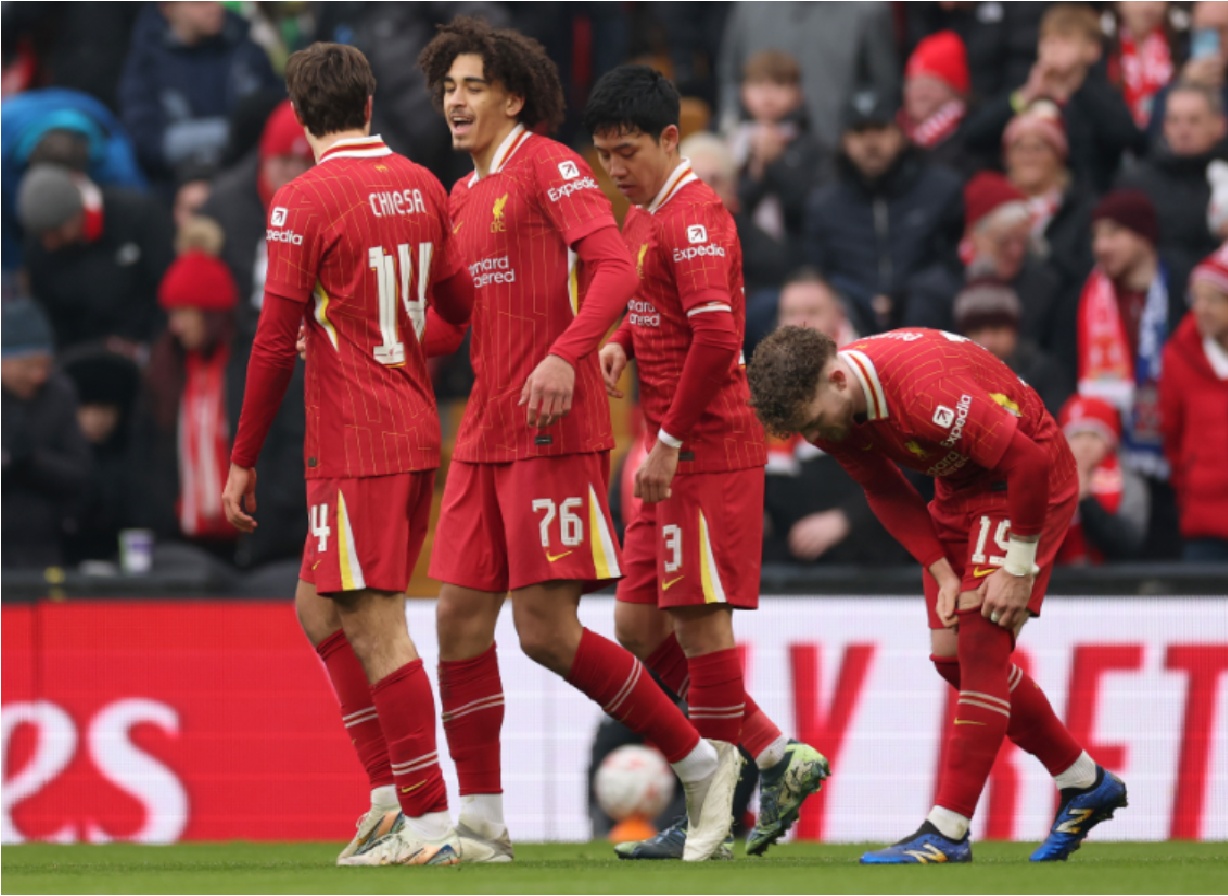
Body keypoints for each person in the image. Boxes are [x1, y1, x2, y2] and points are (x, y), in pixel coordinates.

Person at [416, 17, 740, 864]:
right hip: (487, 427)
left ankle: (703, 767)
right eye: (448, 87)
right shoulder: (460, 194)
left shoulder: (552, 166)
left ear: (511, 95)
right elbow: (456, 321)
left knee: (546, 632)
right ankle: (481, 824)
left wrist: (565, 355)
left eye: (473, 85)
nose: (456, 100)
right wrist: (383, 334)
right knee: (454, 620)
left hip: (554, 428)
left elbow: (614, 268)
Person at [221, 42, 475, 867]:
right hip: (410, 426)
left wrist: (243, 456)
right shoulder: (425, 185)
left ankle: (429, 820)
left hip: (359, 440)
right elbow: (455, 308)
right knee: (317, 606)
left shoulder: (301, 200)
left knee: (374, 622)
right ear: (369, 102)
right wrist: (384, 335)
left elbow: (268, 343)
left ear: (300, 118)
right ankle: (382, 799)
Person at [746, 326, 1129, 863]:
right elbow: (881, 486)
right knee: (951, 659)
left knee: (979, 650)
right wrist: (942, 572)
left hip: (1020, 481)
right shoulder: (828, 406)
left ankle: (946, 831)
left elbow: (1031, 462)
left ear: (836, 378)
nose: (815, 435)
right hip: (959, 489)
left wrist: (1019, 566)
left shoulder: (925, 392)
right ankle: (1085, 781)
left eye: (812, 422)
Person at [583, 65, 829, 861]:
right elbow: (652, 311)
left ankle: (715, 813)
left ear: (668, 140)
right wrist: (620, 344)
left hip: (705, 448)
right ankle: (771, 752)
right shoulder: (645, 215)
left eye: (628, 152)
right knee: (635, 623)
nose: (616, 169)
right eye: (604, 156)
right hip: (668, 450)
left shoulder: (693, 217)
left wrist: (672, 443)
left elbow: (720, 340)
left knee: (696, 620)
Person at [1077, 188, 1187, 558]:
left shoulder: (1185, 288)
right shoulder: (1087, 295)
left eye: (1113, 234)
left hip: (1177, 455)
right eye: (1096, 236)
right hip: (1110, 456)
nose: (1101, 246)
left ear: (1143, 235)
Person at [803, 87, 964, 335]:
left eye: (879, 130)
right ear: (844, 141)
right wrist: (863, 300)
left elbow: (950, 267)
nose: (870, 143)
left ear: (900, 133)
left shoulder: (941, 190)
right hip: (851, 323)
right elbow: (820, 272)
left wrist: (899, 299)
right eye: (859, 133)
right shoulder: (824, 204)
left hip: (925, 322)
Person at [1, 298, 91, 570]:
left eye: (45, 365)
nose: (38, 376)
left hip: (44, 549)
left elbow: (80, 472)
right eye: (28, 366)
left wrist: (32, 461)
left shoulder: (59, 395)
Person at [1159, 246, 1228, 561]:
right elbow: (1171, 433)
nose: (1200, 309)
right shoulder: (1178, 356)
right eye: (1196, 298)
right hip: (1202, 522)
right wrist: (1189, 484)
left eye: (1212, 300)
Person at [953, 278, 1074, 416]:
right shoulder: (953, 376)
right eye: (976, 332)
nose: (987, 342)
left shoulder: (1043, 373)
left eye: (996, 330)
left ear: (1014, 331)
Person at [1053, 394, 1149, 565]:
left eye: (1094, 436)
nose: (1085, 444)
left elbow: (1128, 545)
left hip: (1110, 582)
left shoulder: (1128, 482)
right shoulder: (1047, 479)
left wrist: (1086, 501)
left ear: (1110, 442)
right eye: (1077, 435)